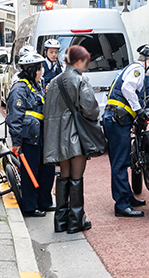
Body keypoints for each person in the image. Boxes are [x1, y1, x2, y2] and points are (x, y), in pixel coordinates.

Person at [102, 44, 149, 217]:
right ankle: (122, 205)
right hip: (117, 119)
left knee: (122, 161)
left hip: (116, 119)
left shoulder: (131, 68)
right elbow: (127, 88)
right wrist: (139, 110)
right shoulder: (138, 69)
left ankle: (128, 197)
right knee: (120, 163)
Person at [43, 46, 97, 234]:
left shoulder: (54, 82)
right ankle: (76, 221)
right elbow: (91, 109)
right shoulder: (80, 80)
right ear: (78, 61)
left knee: (63, 176)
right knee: (76, 177)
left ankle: (60, 221)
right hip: (76, 136)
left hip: (57, 137)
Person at [6, 52, 55, 216]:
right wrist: (17, 142)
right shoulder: (19, 88)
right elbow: (14, 117)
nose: (42, 72)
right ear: (32, 70)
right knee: (30, 172)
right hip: (29, 138)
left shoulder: (35, 85)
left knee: (47, 169)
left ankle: (44, 202)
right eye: (40, 69)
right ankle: (30, 206)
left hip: (40, 134)